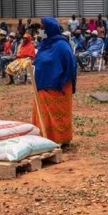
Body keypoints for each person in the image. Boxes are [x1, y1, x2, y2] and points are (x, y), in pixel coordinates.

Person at [33, 17, 77, 146]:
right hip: (42, 85)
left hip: (58, 87)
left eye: (42, 28)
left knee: (58, 115)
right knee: (44, 115)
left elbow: (71, 65)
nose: (40, 31)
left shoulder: (62, 46)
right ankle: (45, 139)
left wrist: (60, 81)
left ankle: (61, 140)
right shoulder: (44, 45)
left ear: (49, 29)